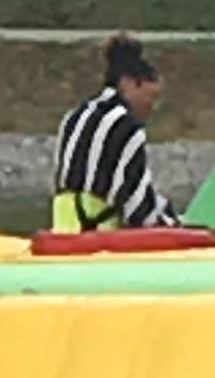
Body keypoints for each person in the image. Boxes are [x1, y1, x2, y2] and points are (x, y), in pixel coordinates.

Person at [51, 33, 171, 230]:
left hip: (62, 227)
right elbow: (137, 209)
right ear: (130, 83)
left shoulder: (74, 115)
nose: (151, 107)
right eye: (151, 97)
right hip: (97, 233)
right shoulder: (128, 126)